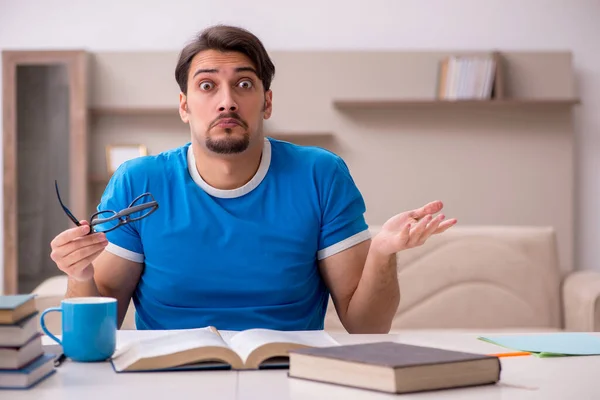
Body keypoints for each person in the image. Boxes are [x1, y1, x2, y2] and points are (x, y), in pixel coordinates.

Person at [49, 25, 457, 333]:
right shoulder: (137, 180)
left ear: (267, 101)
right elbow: (101, 329)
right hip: (167, 379)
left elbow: (366, 328)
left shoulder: (321, 174)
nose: (226, 100)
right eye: (207, 86)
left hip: (290, 377)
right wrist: (79, 275)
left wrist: (383, 254)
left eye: (243, 84)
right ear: (185, 106)